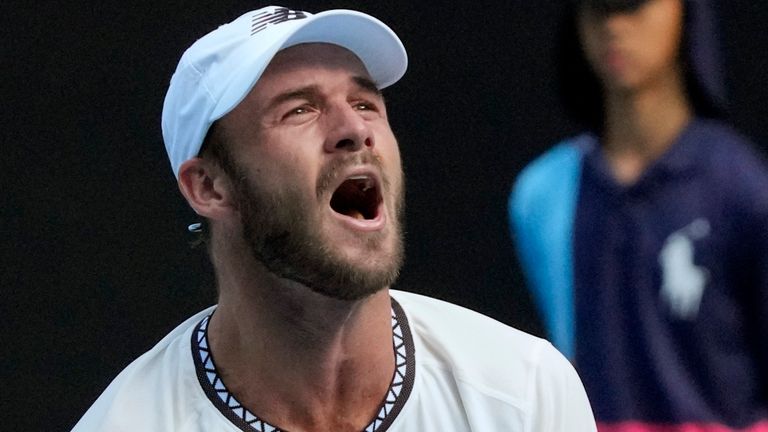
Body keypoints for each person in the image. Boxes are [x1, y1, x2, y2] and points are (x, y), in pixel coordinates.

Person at [73, 6, 597, 431]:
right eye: (299, 109)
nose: (353, 128)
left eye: (366, 103)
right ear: (209, 187)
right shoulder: (125, 421)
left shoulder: (524, 394)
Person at [508, 0, 768, 430]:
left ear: (685, 13)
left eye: (633, 6)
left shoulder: (744, 190)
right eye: (596, 9)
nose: (613, 26)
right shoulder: (542, 195)